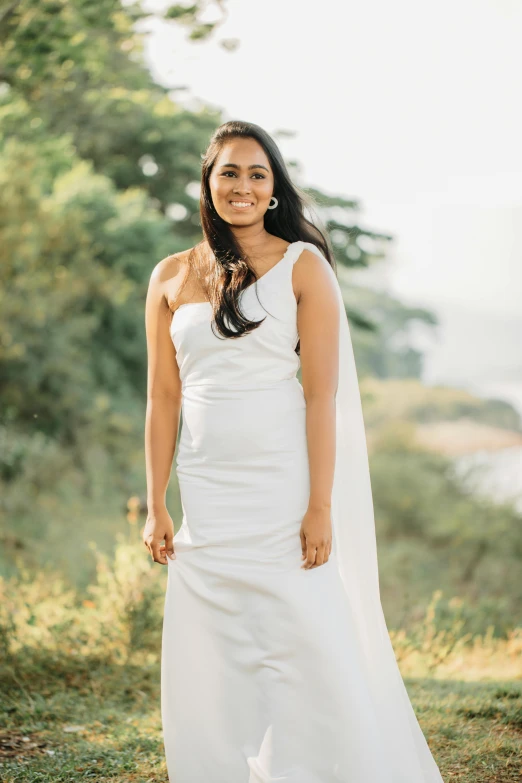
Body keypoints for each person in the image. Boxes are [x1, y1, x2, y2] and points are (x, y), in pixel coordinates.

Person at [143, 120, 445, 782]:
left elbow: (321, 397)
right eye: (229, 172)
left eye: (257, 174)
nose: (242, 186)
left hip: (281, 489)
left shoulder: (304, 268)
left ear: (275, 188)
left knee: (300, 640)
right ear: (208, 182)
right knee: (211, 646)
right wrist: (157, 502)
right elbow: (163, 398)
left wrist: (319, 504)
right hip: (206, 491)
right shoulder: (168, 277)